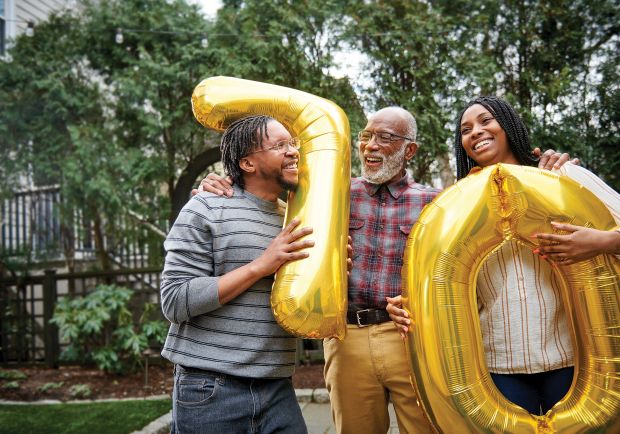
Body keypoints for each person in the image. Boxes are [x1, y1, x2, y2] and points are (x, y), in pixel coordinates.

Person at [197, 106, 573, 433]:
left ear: (410, 149)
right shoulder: (331, 193)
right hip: (347, 338)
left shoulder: (437, 202)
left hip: (412, 338)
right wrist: (219, 182)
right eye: (366, 136)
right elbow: (265, 190)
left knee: (425, 427)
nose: (370, 146)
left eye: (385, 138)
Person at [388, 96, 620, 416]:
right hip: (498, 364)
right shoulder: (457, 208)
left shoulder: (561, 176)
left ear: (508, 125)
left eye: (486, 121)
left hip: (572, 358)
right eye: (465, 129)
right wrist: (407, 306)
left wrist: (603, 241)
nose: (476, 132)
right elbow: (441, 285)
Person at [160, 115, 315, 434]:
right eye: (280, 145)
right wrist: (262, 265)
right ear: (247, 162)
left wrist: (331, 271)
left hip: (278, 387)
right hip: (211, 388)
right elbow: (174, 301)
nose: (293, 152)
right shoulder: (205, 208)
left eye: (294, 143)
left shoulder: (294, 219)